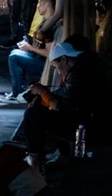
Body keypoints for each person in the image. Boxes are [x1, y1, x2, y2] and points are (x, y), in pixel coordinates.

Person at [22, 40, 109, 171]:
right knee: (45, 109)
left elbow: (65, 108)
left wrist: (42, 92)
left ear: (64, 59)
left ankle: (35, 163)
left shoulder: (79, 74)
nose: (57, 71)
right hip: (94, 121)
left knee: (33, 114)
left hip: (92, 128)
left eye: (56, 66)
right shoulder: (88, 65)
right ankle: (64, 156)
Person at [37, 0, 96, 85]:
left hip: (68, 32)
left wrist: (42, 29)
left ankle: (58, 89)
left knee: (62, 63)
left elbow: (57, 14)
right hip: (85, 32)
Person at [0, 0, 59, 103]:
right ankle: (20, 89)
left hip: (47, 65)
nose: (38, 6)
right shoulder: (46, 21)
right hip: (39, 58)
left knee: (14, 57)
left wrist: (30, 48)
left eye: (40, 3)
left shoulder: (50, 25)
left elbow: (48, 53)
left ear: (47, 5)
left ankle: (18, 92)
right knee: (15, 53)